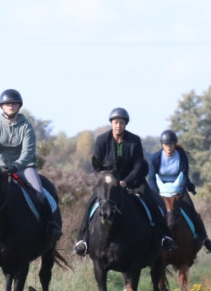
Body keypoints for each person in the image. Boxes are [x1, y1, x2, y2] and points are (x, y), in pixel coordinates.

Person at [74, 108, 178, 256]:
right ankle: (82, 240)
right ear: (111, 123)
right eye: (116, 122)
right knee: (92, 202)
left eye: (121, 123)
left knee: (151, 201)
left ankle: (164, 236)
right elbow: (96, 165)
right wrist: (104, 180)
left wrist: (125, 182)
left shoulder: (134, 140)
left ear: (125, 124)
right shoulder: (101, 140)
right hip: (109, 182)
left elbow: (138, 165)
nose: (118, 126)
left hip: (133, 180)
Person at [0, 89, 61, 243]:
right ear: (2, 106)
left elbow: (28, 152)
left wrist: (16, 166)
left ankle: (50, 227)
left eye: (14, 103)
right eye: (7, 104)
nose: (11, 106)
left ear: (19, 106)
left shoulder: (26, 126)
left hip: (24, 168)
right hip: (0, 169)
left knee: (39, 192)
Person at [147, 129, 211, 253]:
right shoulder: (155, 158)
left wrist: (181, 193)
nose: (169, 147)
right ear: (162, 145)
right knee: (152, 211)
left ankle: (205, 239)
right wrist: (156, 195)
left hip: (178, 188)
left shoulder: (181, 156)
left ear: (175, 144)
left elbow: (185, 176)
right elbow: (151, 179)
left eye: (171, 144)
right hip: (161, 190)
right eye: (166, 144)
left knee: (191, 210)